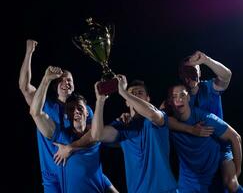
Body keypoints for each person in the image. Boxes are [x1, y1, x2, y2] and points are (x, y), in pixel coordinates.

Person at [19, 39, 117, 192]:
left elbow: (94, 135)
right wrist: (29, 52)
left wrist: (70, 148)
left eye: (69, 80)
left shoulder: (84, 109)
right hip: (53, 175)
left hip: (79, 168)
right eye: (61, 80)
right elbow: (25, 87)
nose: (66, 82)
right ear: (54, 85)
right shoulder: (45, 105)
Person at [91, 75, 179, 193]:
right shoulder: (123, 127)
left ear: (148, 98)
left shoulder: (158, 117)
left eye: (140, 92)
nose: (136, 95)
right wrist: (100, 101)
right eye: (132, 93)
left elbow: (152, 114)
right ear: (127, 102)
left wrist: (124, 92)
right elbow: (97, 135)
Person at [178, 51, 243, 192]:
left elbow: (227, 75)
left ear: (200, 72)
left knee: (231, 183)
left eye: (194, 70)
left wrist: (206, 59)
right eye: (186, 71)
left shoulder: (209, 87)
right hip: (198, 152)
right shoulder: (179, 98)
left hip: (220, 147)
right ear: (181, 75)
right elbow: (159, 116)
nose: (190, 75)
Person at [163, 81, 243, 193]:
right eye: (174, 96)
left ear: (188, 97)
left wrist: (238, 169)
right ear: (169, 101)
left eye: (182, 95)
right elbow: (155, 117)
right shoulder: (168, 120)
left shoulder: (204, 118)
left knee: (232, 184)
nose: (179, 99)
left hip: (212, 167)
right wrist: (191, 129)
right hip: (189, 177)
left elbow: (236, 137)